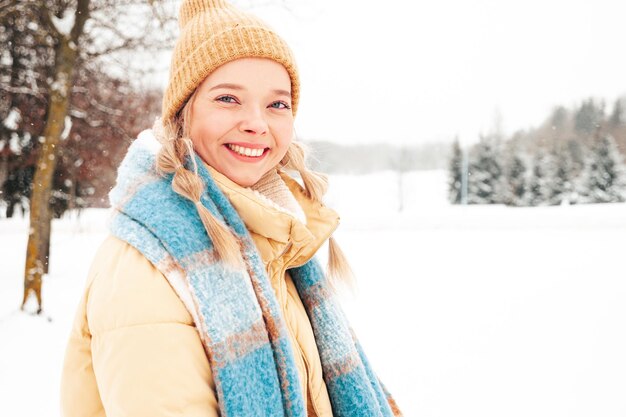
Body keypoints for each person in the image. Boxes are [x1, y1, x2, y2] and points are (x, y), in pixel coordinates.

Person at [60, 1, 402, 416]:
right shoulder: (147, 264)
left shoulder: (278, 244)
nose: (257, 122)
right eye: (227, 99)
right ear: (183, 114)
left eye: (277, 104)